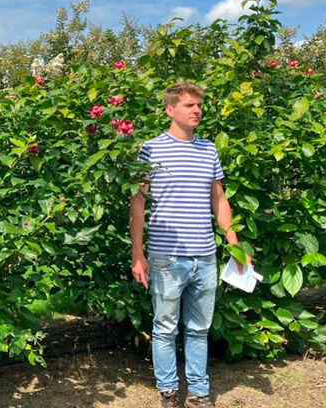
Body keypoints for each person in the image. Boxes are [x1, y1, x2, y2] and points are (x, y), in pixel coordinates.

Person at [129, 82, 250, 408]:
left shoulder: (208, 149)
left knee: (198, 330)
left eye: (199, 106)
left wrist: (236, 247)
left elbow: (219, 200)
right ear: (170, 110)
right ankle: (168, 394)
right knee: (165, 329)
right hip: (167, 256)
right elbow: (138, 202)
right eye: (189, 105)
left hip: (205, 257)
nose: (197, 110)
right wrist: (137, 253)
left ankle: (199, 394)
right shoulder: (151, 149)